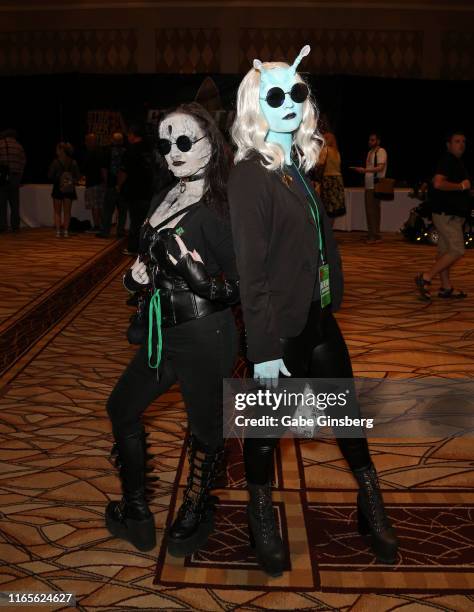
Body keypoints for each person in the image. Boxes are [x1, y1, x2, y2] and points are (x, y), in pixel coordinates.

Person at [228, 45, 398, 577]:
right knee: (264, 430)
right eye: (275, 95)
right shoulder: (250, 175)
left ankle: (370, 501)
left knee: (345, 411)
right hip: (278, 329)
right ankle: (260, 512)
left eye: (296, 93)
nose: (288, 103)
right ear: (256, 105)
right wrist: (262, 349)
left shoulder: (297, 165)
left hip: (318, 317)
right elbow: (249, 274)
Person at [105, 103, 239, 556]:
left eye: (184, 142)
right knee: (121, 408)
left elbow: (245, 283)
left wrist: (205, 280)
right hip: (160, 330)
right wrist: (134, 278)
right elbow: (143, 260)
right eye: (166, 144)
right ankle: (136, 510)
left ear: (209, 148)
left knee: (206, 431)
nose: (174, 152)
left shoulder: (221, 208)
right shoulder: (164, 197)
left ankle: (196, 508)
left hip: (205, 334)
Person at [415, 131, 471, 300]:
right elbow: (438, 183)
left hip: (446, 214)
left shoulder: (454, 161)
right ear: (448, 145)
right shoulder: (449, 160)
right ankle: (425, 277)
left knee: (445, 252)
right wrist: (461, 186)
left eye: (463, 141)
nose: (461, 144)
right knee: (457, 250)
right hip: (447, 215)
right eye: (457, 141)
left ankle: (446, 288)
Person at [118, 122, 155, 255]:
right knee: (147, 221)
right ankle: (148, 247)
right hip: (150, 191)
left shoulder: (131, 150)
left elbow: (123, 172)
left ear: (133, 135)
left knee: (136, 221)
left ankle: (134, 247)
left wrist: (119, 185)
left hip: (135, 191)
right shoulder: (150, 150)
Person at [351, 132, 387, 243]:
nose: (370, 142)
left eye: (373, 140)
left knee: (373, 210)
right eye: (369, 140)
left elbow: (380, 168)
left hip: (375, 185)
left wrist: (364, 170)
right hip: (369, 185)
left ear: (378, 141)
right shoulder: (370, 152)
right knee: (371, 210)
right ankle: (373, 234)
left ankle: (374, 236)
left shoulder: (381, 151)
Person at [96, 132, 127, 238]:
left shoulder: (107, 151)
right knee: (122, 211)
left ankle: (105, 232)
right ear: (122, 141)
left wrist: (105, 182)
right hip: (123, 186)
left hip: (111, 185)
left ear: (112, 140)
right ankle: (120, 231)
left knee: (108, 210)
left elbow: (104, 169)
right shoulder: (126, 152)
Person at [48, 142, 81, 237]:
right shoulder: (73, 162)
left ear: (61, 150)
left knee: (57, 211)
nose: (56, 151)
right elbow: (78, 177)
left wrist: (58, 178)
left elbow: (50, 176)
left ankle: (58, 231)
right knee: (67, 212)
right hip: (69, 189)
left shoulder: (55, 162)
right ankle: (66, 231)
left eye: (57, 149)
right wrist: (70, 180)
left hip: (58, 188)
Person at [315, 131, 346, 224]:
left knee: (326, 208)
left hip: (328, 180)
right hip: (338, 181)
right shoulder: (337, 152)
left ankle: (327, 232)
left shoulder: (325, 150)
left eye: (325, 138)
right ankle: (330, 232)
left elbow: (320, 164)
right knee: (333, 209)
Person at [0, 129, 26, 233]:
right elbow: (23, 161)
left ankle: (2, 226)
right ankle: (15, 225)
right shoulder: (19, 146)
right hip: (15, 177)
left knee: (2, 203)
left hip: (2, 177)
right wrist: (19, 175)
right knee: (15, 203)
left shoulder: (0, 144)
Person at [82, 133, 105, 232]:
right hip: (99, 182)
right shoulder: (100, 152)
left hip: (93, 183)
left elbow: (102, 169)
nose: (85, 143)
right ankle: (102, 225)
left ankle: (97, 226)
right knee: (100, 205)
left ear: (92, 141)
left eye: (87, 140)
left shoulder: (91, 153)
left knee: (95, 206)